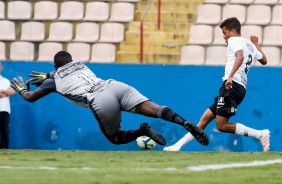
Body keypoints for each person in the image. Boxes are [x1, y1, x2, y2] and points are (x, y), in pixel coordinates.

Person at [10, 51, 209, 147]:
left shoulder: (52, 81)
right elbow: (60, 72)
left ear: (54, 67)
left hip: (99, 99)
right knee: (155, 109)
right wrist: (47, 75)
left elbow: (30, 98)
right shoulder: (80, 64)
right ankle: (184, 122)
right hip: (114, 86)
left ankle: (142, 130)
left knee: (115, 138)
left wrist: (20, 90)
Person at [163, 17, 270, 152]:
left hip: (231, 86)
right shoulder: (249, 44)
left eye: (225, 33)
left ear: (232, 31)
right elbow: (264, 60)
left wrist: (230, 76)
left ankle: (260, 134)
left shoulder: (233, 40)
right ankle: (178, 145)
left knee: (221, 126)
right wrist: (256, 43)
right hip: (238, 87)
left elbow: (240, 56)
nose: (224, 37)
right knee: (204, 119)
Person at [0, 62, 16, 149]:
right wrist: (5, 92)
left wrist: (2, 91)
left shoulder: (5, 81)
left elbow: (12, 92)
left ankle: (4, 148)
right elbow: (7, 93)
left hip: (4, 109)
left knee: (5, 131)